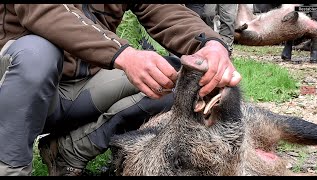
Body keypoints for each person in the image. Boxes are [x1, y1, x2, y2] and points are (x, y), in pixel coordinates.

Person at [0, 4, 241, 176]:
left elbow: (162, 9)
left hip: (80, 87)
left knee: (176, 80)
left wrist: (210, 43)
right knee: (37, 52)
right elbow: (45, 11)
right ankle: (10, 169)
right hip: (15, 88)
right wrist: (124, 54)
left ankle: (69, 151)